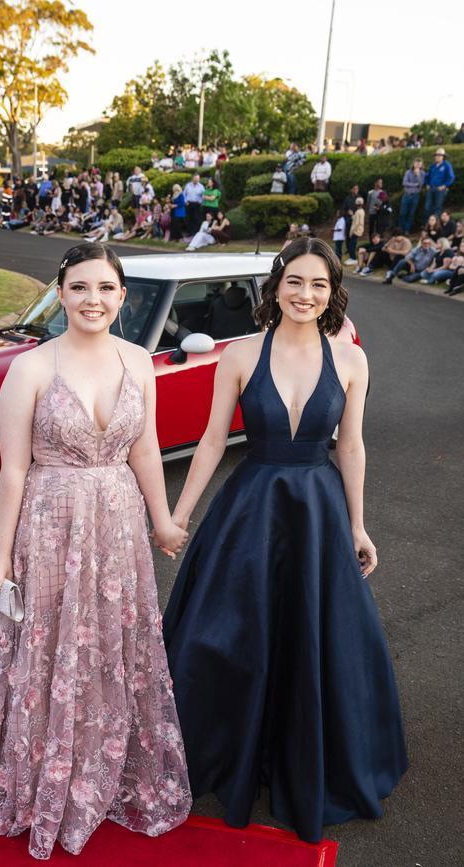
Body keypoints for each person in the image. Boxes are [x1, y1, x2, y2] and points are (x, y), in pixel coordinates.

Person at [162, 237, 408, 843]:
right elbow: (213, 442)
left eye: (318, 284)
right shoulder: (240, 354)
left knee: (316, 638)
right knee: (228, 637)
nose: (305, 294)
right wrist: (178, 515)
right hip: (250, 512)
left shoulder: (351, 360)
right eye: (294, 281)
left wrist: (357, 524)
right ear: (275, 287)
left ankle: (307, 757)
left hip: (319, 514)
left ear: (332, 294)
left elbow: (349, 445)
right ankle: (224, 751)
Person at [0, 243, 191, 859]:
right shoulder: (31, 368)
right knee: (51, 646)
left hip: (117, 524)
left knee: (111, 644)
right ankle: (45, 777)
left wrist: (164, 523)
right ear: (61, 292)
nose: (94, 300)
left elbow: (147, 448)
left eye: (106, 289)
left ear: (122, 296)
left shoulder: (139, 361)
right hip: (49, 524)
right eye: (81, 287)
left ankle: (105, 765)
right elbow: (12, 472)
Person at [423, 148, 455, 220]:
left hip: (440, 190)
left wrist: (444, 185)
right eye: (436, 155)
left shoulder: (447, 165)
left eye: (439, 155)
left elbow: (451, 177)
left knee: (438, 207)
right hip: (431, 189)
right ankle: (427, 225)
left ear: (443, 157)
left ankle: (436, 226)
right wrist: (427, 184)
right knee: (427, 207)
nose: (437, 157)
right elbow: (427, 176)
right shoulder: (432, 166)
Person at [399, 158, 425, 233]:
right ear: (413, 164)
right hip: (407, 195)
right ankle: (400, 229)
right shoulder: (408, 172)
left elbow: (421, 184)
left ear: (421, 165)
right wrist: (415, 184)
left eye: (419, 164)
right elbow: (404, 183)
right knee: (402, 213)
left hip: (415, 196)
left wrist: (417, 175)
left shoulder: (422, 173)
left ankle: (407, 230)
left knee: (411, 214)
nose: (417, 165)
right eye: (416, 163)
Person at [345, 197, 365, 264]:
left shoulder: (357, 212)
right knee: (353, 244)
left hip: (356, 230)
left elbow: (355, 223)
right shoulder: (362, 211)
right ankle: (352, 258)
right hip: (359, 230)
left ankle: (353, 258)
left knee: (351, 245)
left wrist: (351, 232)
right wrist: (352, 215)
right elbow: (357, 219)